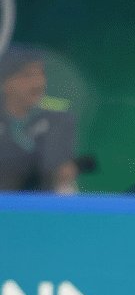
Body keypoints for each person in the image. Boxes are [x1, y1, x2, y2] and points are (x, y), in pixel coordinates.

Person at [0, 45, 78, 193]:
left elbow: (52, 167)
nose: (38, 82)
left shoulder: (58, 118)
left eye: (41, 74)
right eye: (27, 75)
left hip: (41, 200)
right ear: (5, 82)